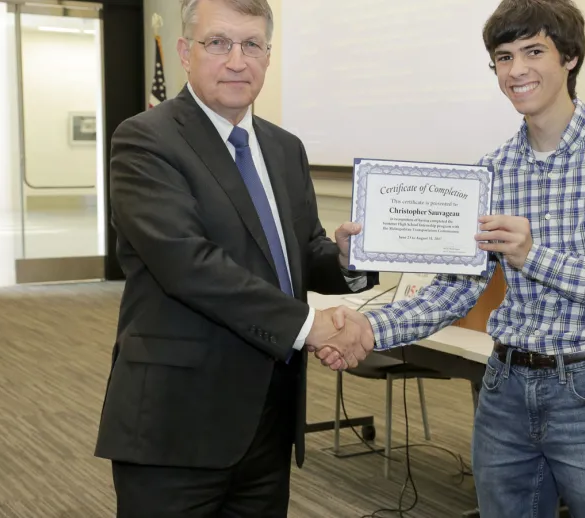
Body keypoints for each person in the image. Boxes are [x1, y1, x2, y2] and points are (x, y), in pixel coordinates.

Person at [320, 0, 585, 516]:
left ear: (570, 57)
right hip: (505, 388)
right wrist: (367, 329)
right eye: (503, 58)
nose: (516, 71)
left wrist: (534, 256)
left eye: (534, 52)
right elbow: (456, 289)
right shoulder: (492, 170)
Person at [93, 0, 377, 516]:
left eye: (252, 45)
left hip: (268, 421)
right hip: (177, 424)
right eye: (218, 43)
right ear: (185, 51)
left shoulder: (283, 147)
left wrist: (345, 259)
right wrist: (311, 326)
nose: (237, 60)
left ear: (268, 56)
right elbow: (188, 265)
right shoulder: (145, 140)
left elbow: (300, 252)